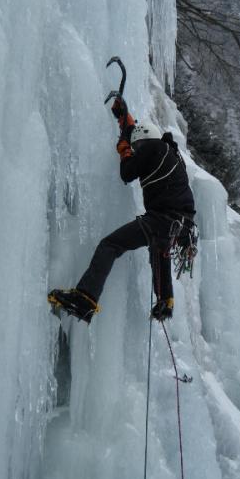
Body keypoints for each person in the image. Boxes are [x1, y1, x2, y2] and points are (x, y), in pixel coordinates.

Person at [48, 98, 195, 323]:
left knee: (110, 245)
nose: (136, 151)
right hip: (180, 225)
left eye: (138, 148)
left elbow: (127, 173)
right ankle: (166, 300)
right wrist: (124, 119)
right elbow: (137, 135)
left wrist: (125, 148)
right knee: (159, 247)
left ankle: (86, 298)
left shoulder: (153, 147)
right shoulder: (169, 152)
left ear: (144, 144)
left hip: (163, 219)